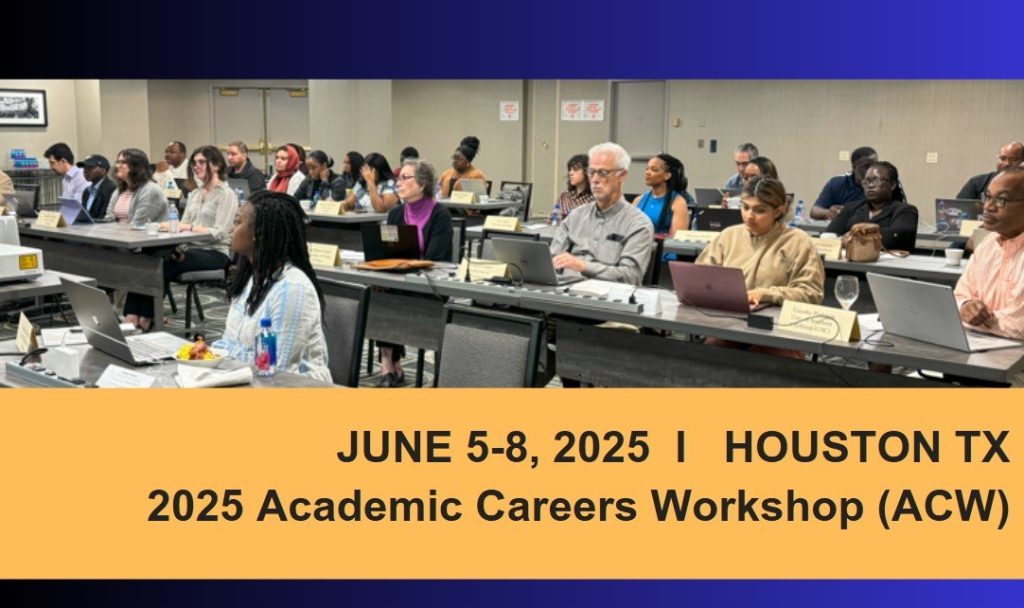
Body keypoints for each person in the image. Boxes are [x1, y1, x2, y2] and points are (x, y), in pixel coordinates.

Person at [697, 177, 824, 359]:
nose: (749, 216)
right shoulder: (728, 236)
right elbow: (700, 277)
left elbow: (811, 293)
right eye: (745, 207)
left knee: (761, 358)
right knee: (710, 353)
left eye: (759, 210)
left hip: (779, 331)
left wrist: (766, 294)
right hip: (730, 324)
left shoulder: (798, 242)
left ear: (778, 211)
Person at [213, 190, 330, 382]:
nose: (231, 230)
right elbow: (229, 343)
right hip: (246, 378)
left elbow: (277, 369)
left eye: (237, 222)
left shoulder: (292, 288)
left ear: (259, 234)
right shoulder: (251, 277)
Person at [123, 146, 239, 329]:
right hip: (189, 248)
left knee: (162, 262)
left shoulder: (227, 194)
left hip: (214, 252)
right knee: (146, 259)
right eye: (194, 163)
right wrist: (168, 228)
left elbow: (220, 233)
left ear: (216, 165)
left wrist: (187, 227)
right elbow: (181, 226)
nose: (196, 166)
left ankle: (147, 318)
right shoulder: (195, 194)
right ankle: (132, 315)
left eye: (201, 162)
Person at [376, 160, 454, 387]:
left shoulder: (440, 215)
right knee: (379, 291)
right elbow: (389, 250)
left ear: (422, 184)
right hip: (401, 279)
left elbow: (434, 258)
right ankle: (388, 362)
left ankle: (395, 363)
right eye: (398, 178)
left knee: (392, 294)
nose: (398, 183)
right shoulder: (396, 213)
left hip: (429, 285)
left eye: (405, 178)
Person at [549, 142, 655, 286]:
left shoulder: (638, 224)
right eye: (591, 172)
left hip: (608, 296)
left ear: (622, 176)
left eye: (603, 173)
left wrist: (583, 266)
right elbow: (552, 261)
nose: (595, 180)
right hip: (565, 291)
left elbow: (630, 277)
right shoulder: (576, 216)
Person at [954, 168, 1024, 352]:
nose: (988, 207)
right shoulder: (988, 243)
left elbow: (1019, 326)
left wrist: (978, 321)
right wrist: (966, 306)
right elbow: (960, 294)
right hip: (982, 344)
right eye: (988, 197)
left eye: (1001, 200)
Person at [825, 161, 918, 250]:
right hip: (850, 259)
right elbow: (828, 236)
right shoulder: (851, 208)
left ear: (892, 185)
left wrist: (857, 237)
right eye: (866, 181)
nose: (870, 185)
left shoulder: (905, 210)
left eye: (876, 180)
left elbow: (898, 236)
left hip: (889, 260)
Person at [809, 146, 878, 220]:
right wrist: (829, 213)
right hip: (843, 226)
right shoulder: (838, 183)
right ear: (854, 167)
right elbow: (814, 211)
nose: (872, 170)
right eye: (866, 166)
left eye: (875, 165)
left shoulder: (883, 185)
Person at [104, 148, 169, 225]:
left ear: (136, 166)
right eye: (118, 162)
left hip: (143, 232)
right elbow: (108, 218)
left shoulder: (150, 190)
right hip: (118, 231)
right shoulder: (119, 189)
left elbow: (139, 224)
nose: (117, 166)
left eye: (123, 162)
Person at [633, 153, 693, 235]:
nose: (647, 172)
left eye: (654, 170)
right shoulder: (638, 200)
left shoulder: (678, 203)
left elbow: (675, 239)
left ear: (667, 175)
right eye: (647, 169)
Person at [956, 142, 1024, 200]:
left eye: (1014, 159)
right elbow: (959, 207)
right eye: (1002, 158)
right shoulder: (978, 182)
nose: (1007, 163)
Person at [553, 154, 595, 223]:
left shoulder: (594, 199)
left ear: (587, 172)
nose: (570, 173)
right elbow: (554, 221)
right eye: (570, 170)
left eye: (575, 169)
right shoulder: (564, 196)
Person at [77, 154, 117, 219]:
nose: (85, 171)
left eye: (90, 168)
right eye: (85, 168)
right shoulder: (87, 191)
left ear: (103, 170)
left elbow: (104, 216)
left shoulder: (110, 188)